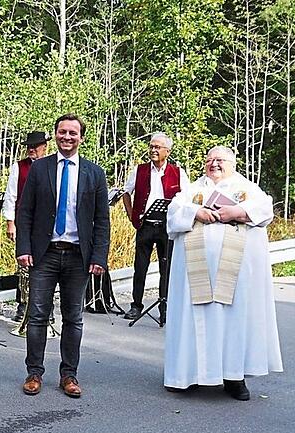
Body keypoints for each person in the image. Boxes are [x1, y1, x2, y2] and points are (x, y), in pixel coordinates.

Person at [163, 146, 282, 400]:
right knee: (193, 319)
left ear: (233, 163)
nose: (214, 164)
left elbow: (265, 209)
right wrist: (196, 212)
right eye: (210, 160)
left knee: (234, 321)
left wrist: (238, 212)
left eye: (220, 160)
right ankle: (187, 375)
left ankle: (233, 377)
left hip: (236, 275)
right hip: (194, 276)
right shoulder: (193, 190)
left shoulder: (247, 188)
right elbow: (173, 214)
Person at [15, 114, 110, 398]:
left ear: (81, 138)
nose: (67, 137)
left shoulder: (94, 174)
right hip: (44, 255)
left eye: (73, 133)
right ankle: (34, 372)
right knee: (38, 315)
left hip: (77, 257)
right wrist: (24, 248)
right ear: (55, 135)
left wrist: (99, 256)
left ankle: (69, 375)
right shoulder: (40, 169)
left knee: (74, 318)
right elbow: (25, 211)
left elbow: (102, 220)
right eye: (62, 132)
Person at [121, 132, 190, 323]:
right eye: (151, 146)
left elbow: (187, 197)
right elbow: (126, 193)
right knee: (140, 267)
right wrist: (131, 215)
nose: (153, 150)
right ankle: (136, 306)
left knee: (166, 268)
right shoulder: (140, 170)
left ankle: (164, 307)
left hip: (167, 226)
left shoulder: (178, 172)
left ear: (167, 151)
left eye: (157, 147)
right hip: (145, 225)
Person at [2, 131, 48, 322]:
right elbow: (10, 196)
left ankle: (45, 307)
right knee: (23, 266)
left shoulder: (52, 165)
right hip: (25, 223)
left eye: (35, 145)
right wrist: (10, 223)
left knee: (46, 266)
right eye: (29, 145)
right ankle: (23, 305)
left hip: (46, 224)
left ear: (44, 147)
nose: (31, 148)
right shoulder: (18, 167)